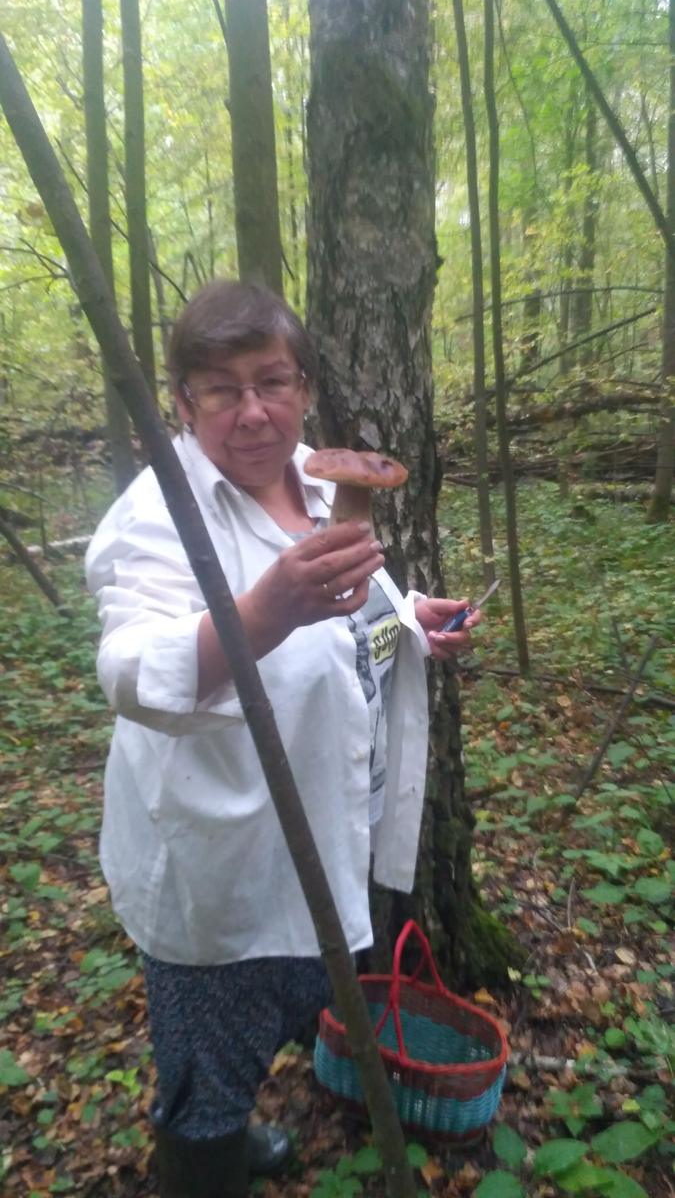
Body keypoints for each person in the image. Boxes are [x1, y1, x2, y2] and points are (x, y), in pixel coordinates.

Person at [85, 280, 481, 1198]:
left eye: (270, 381)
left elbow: (348, 610)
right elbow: (130, 670)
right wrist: (263, 612)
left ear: (302, 386)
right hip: (217, 859)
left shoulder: (318, 477)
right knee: (209, 1063)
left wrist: (411, 619)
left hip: (325, 831)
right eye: (221, 390)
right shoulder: (157, 513)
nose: (252, 410)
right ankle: (204, 1163)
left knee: (297, 997)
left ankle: (236, 1133)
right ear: (182, 403)